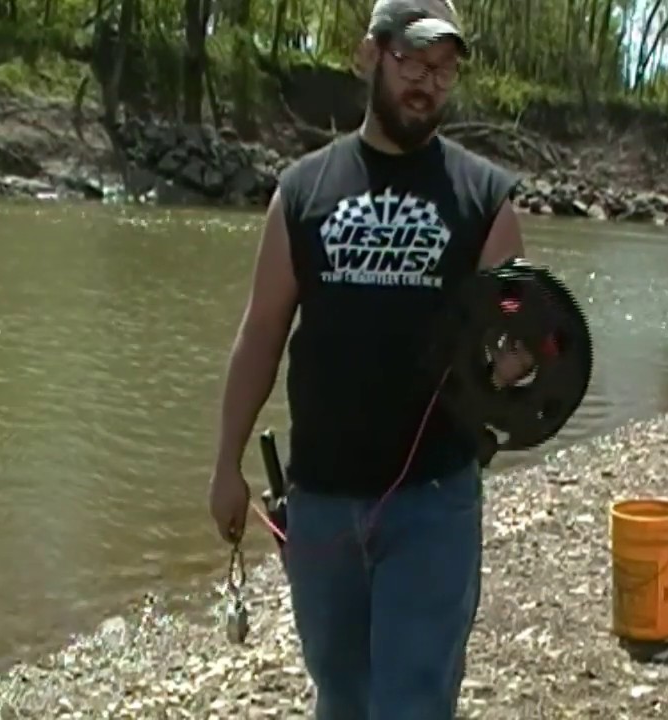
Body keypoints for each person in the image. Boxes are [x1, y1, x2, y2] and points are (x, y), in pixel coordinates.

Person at [207, 0, 531, 717]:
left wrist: (513, 368)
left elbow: (512, 343)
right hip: (320, 501)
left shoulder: (485, 199)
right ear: (369, 55)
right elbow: (261, 332)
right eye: (412, 60)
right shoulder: (303, 192)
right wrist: (225, 463)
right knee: (342, 698)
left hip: (434, 503)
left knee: (412, 702)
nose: (427, 80)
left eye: (443, 68)